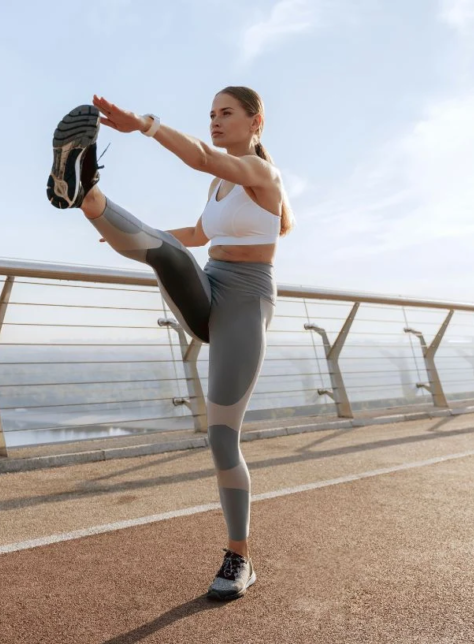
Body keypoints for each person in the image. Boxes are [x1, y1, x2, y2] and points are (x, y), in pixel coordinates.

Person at [46, 86, 295, 600]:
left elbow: (202, 157)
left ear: (256, 122)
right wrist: (126, 231)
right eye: (211, 114)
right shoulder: (218, 189)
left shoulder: (261, 175)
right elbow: (198, 235)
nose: (216, 121)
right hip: (208, 286)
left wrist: (143, 125)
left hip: (243, 308)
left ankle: (239, 557)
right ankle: (87, 194)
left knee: (222, 438)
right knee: (169, 251)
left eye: (226, 113)